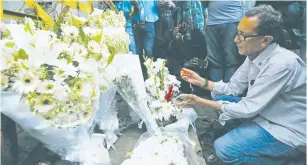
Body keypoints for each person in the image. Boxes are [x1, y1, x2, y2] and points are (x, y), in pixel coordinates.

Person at [173, 5, 306, 165]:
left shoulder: (282, 64)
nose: (235, 40)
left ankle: (292, 160)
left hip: (287, 127)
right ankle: (248, 139)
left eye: (242, 36)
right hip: (266, 113)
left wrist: (199, 101)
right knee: (223, 98)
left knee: (224, 149)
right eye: (237, 33)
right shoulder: (254, 56)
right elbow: (232, 89)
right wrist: (202, 82)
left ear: (266, 40)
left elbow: (248, 108)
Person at [205, 1, 245, 83]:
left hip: (232, 20)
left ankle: (229, 92)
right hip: (212, 22)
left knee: (231, 60)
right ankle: (215, 92)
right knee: (214, 61)